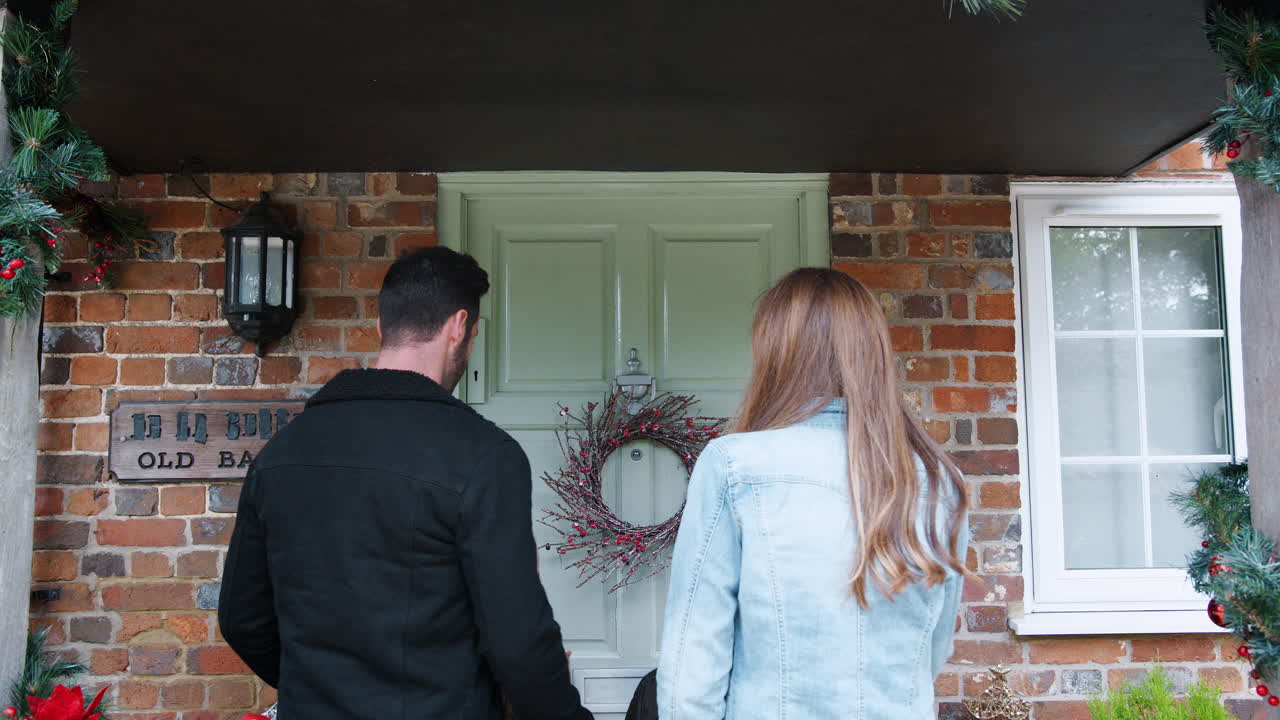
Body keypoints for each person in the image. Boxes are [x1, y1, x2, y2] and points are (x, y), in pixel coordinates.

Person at [219, 246, 592, 720]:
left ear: (381, 328)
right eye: (473, 335)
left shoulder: (281, 452)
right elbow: (519, 643)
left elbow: (243, 618)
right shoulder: (483, 455)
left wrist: (321, 689)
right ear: (459, 326)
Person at [657, 267, 970, 719]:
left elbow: (693, 667)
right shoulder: (938, 480)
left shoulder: (735, 466)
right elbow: (931, 652)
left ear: (775, 356)